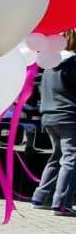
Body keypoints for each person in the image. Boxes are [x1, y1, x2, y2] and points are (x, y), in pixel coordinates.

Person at [32, 33, 76, 215]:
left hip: (49, 116)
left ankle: (40, 197)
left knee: (56, 156)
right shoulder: (73, 64)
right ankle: (61, 202)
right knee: (71, 158)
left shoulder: (50, 63)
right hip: (68, 116)